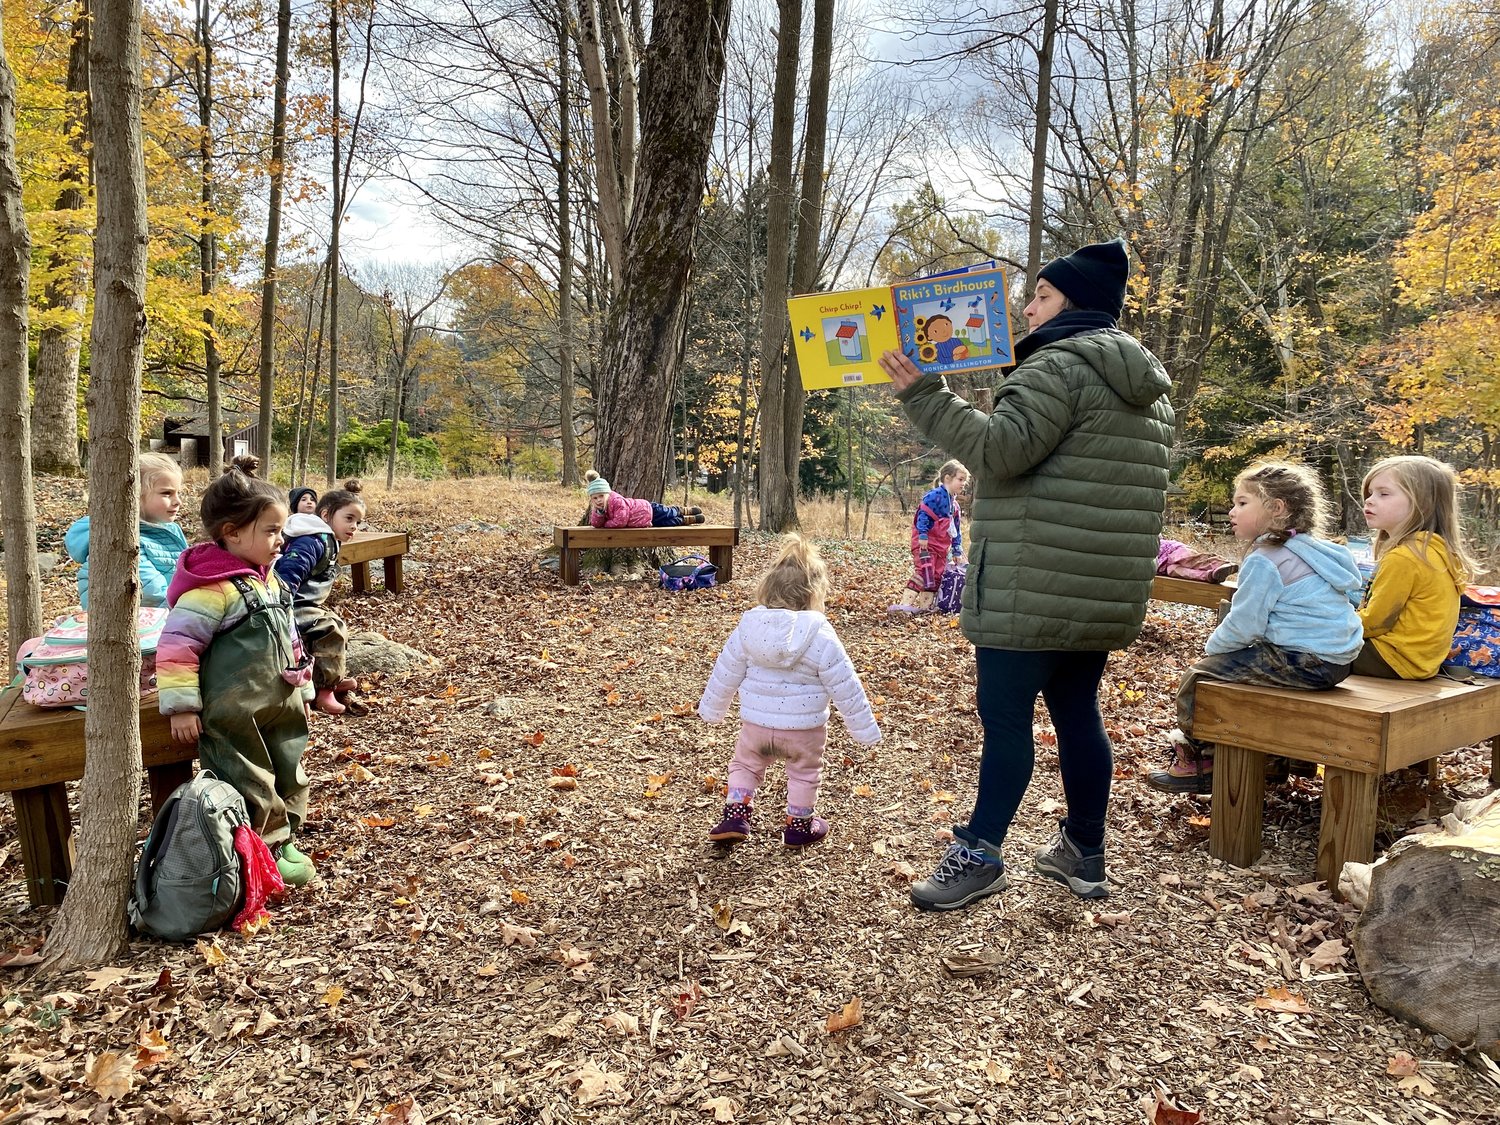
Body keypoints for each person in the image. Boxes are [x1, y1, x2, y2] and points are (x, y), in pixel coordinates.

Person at [877, 237, 1174, 909]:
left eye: (1041, 295)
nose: (1029, 308)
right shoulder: (1146, 388)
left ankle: (980, 853)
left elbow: (999, 452)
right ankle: (1084, 852)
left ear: (1075, 302)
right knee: (1078, 714)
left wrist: (924, 393)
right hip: (1099, 591)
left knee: (1006, 719)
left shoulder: (1056, 366)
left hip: (1029, 585)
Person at [1146, 461, 1364, 794]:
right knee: (1250, 675)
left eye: (1242, 502)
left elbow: (1244, 624)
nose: (1232, 511)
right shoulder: (1311, 551)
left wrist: (1212, 650)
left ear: (1277, 509)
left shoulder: (1266, 559)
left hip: (1304, 660)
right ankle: (1274, 760)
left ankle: (1201, 759)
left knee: (1200, 679)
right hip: (1339, 662)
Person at [156, 455, 317, 886]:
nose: (281, 540)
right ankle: (264, 849)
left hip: (280, 699)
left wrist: (303, 685)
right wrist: (182, 707)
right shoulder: (212, 591)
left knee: (289, 767)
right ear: (232, 532)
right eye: (271, 531)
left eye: (282, 530)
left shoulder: (270, 579)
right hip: (234, 713)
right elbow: (176, 648)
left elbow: (289, 634)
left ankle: (286, 835)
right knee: (248, 777)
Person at [699, 535, 882, 847]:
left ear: (767, 588)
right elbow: (845, 685)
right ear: (814, 594)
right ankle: (799, 826)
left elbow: (725, 671)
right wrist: (864, 730)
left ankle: (736, 815)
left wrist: (712, 710)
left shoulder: (748, 628)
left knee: (745, 765)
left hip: (757, 727)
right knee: (804, 773)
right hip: (803, 730)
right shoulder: (820, 634)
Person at [1352, 455, 1473, 679]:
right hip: (1420, 662)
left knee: (1301, 644)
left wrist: (1331, 626)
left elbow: (1376, 622)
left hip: (1390, 658)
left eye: (1383, 494)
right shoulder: (1435, 551)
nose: (1369, 500)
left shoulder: (1405, 557)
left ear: (1421, 504)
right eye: (1370, 493)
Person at [276, 480, 366, 715]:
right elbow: (288, 572)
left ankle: (331, 677)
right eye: (349, 518)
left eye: (358, 522)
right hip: (289, 603)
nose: (354, 526)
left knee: (337, 623)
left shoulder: (329, 539)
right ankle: (324, 689)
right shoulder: (313, 541)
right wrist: (283, 603)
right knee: (328, 628)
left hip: (307, 602)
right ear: (326, 515)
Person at [65, 452, 189, 610]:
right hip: (144, 619)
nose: (178, 501)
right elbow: (151, 594)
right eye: (167, 493)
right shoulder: (120, 539)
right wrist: (193, 609)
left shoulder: (170, 530)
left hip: (169, 613)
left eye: (178, 493)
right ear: (135, 494)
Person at [891, 460, 968, 613]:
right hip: (926, 543)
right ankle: (904, 605)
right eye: (960, 479)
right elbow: (923, 515)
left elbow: (956, 530)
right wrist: (923, 535)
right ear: (947, 478)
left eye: (964, 481)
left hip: (941, 547)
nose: (963, 484)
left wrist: (957, 549)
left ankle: (925, 607)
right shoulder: (935, 497)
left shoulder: (955, 506)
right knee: (924, 571)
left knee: (936, 575)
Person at [585, 470, 704, 527]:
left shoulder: (616, 501)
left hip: (649, 509)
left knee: (668, 512)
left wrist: (606, 524)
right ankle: (688, 520)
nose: (598, 500)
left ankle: (683, 510)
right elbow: (595, 523)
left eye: (601, 496)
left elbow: (621, 521)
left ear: (607, 494)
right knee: (669, 523)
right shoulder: (599, 509)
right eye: (595, 498)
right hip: (645, 522)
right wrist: (599, 514)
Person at [1157, 538, 1237, 584]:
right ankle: (1210, 575)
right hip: (1162, 567)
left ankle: (1221, 564)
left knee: (1191, 561)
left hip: (1171, 551)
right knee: (1181, 572)